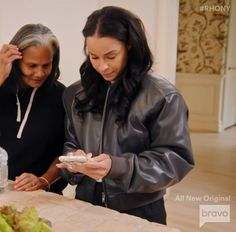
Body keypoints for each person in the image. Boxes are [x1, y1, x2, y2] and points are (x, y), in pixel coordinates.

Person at [57, 6, 194, 224]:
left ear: (130, 46)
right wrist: (73, 161)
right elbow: (70, 143)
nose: (102, 66)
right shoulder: (76, 93)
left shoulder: (163, 96)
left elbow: (175, 162)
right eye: (94, 56)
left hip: (140, 211)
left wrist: (117, 167)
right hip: (85, 206)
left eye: (111, 56)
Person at [0, 23, 67, 194]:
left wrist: (43, 180)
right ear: (16, 61)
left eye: (46, 65)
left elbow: (67, 150)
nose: (39, 73)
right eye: (32, 65)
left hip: (39, 196)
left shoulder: (62, 96)